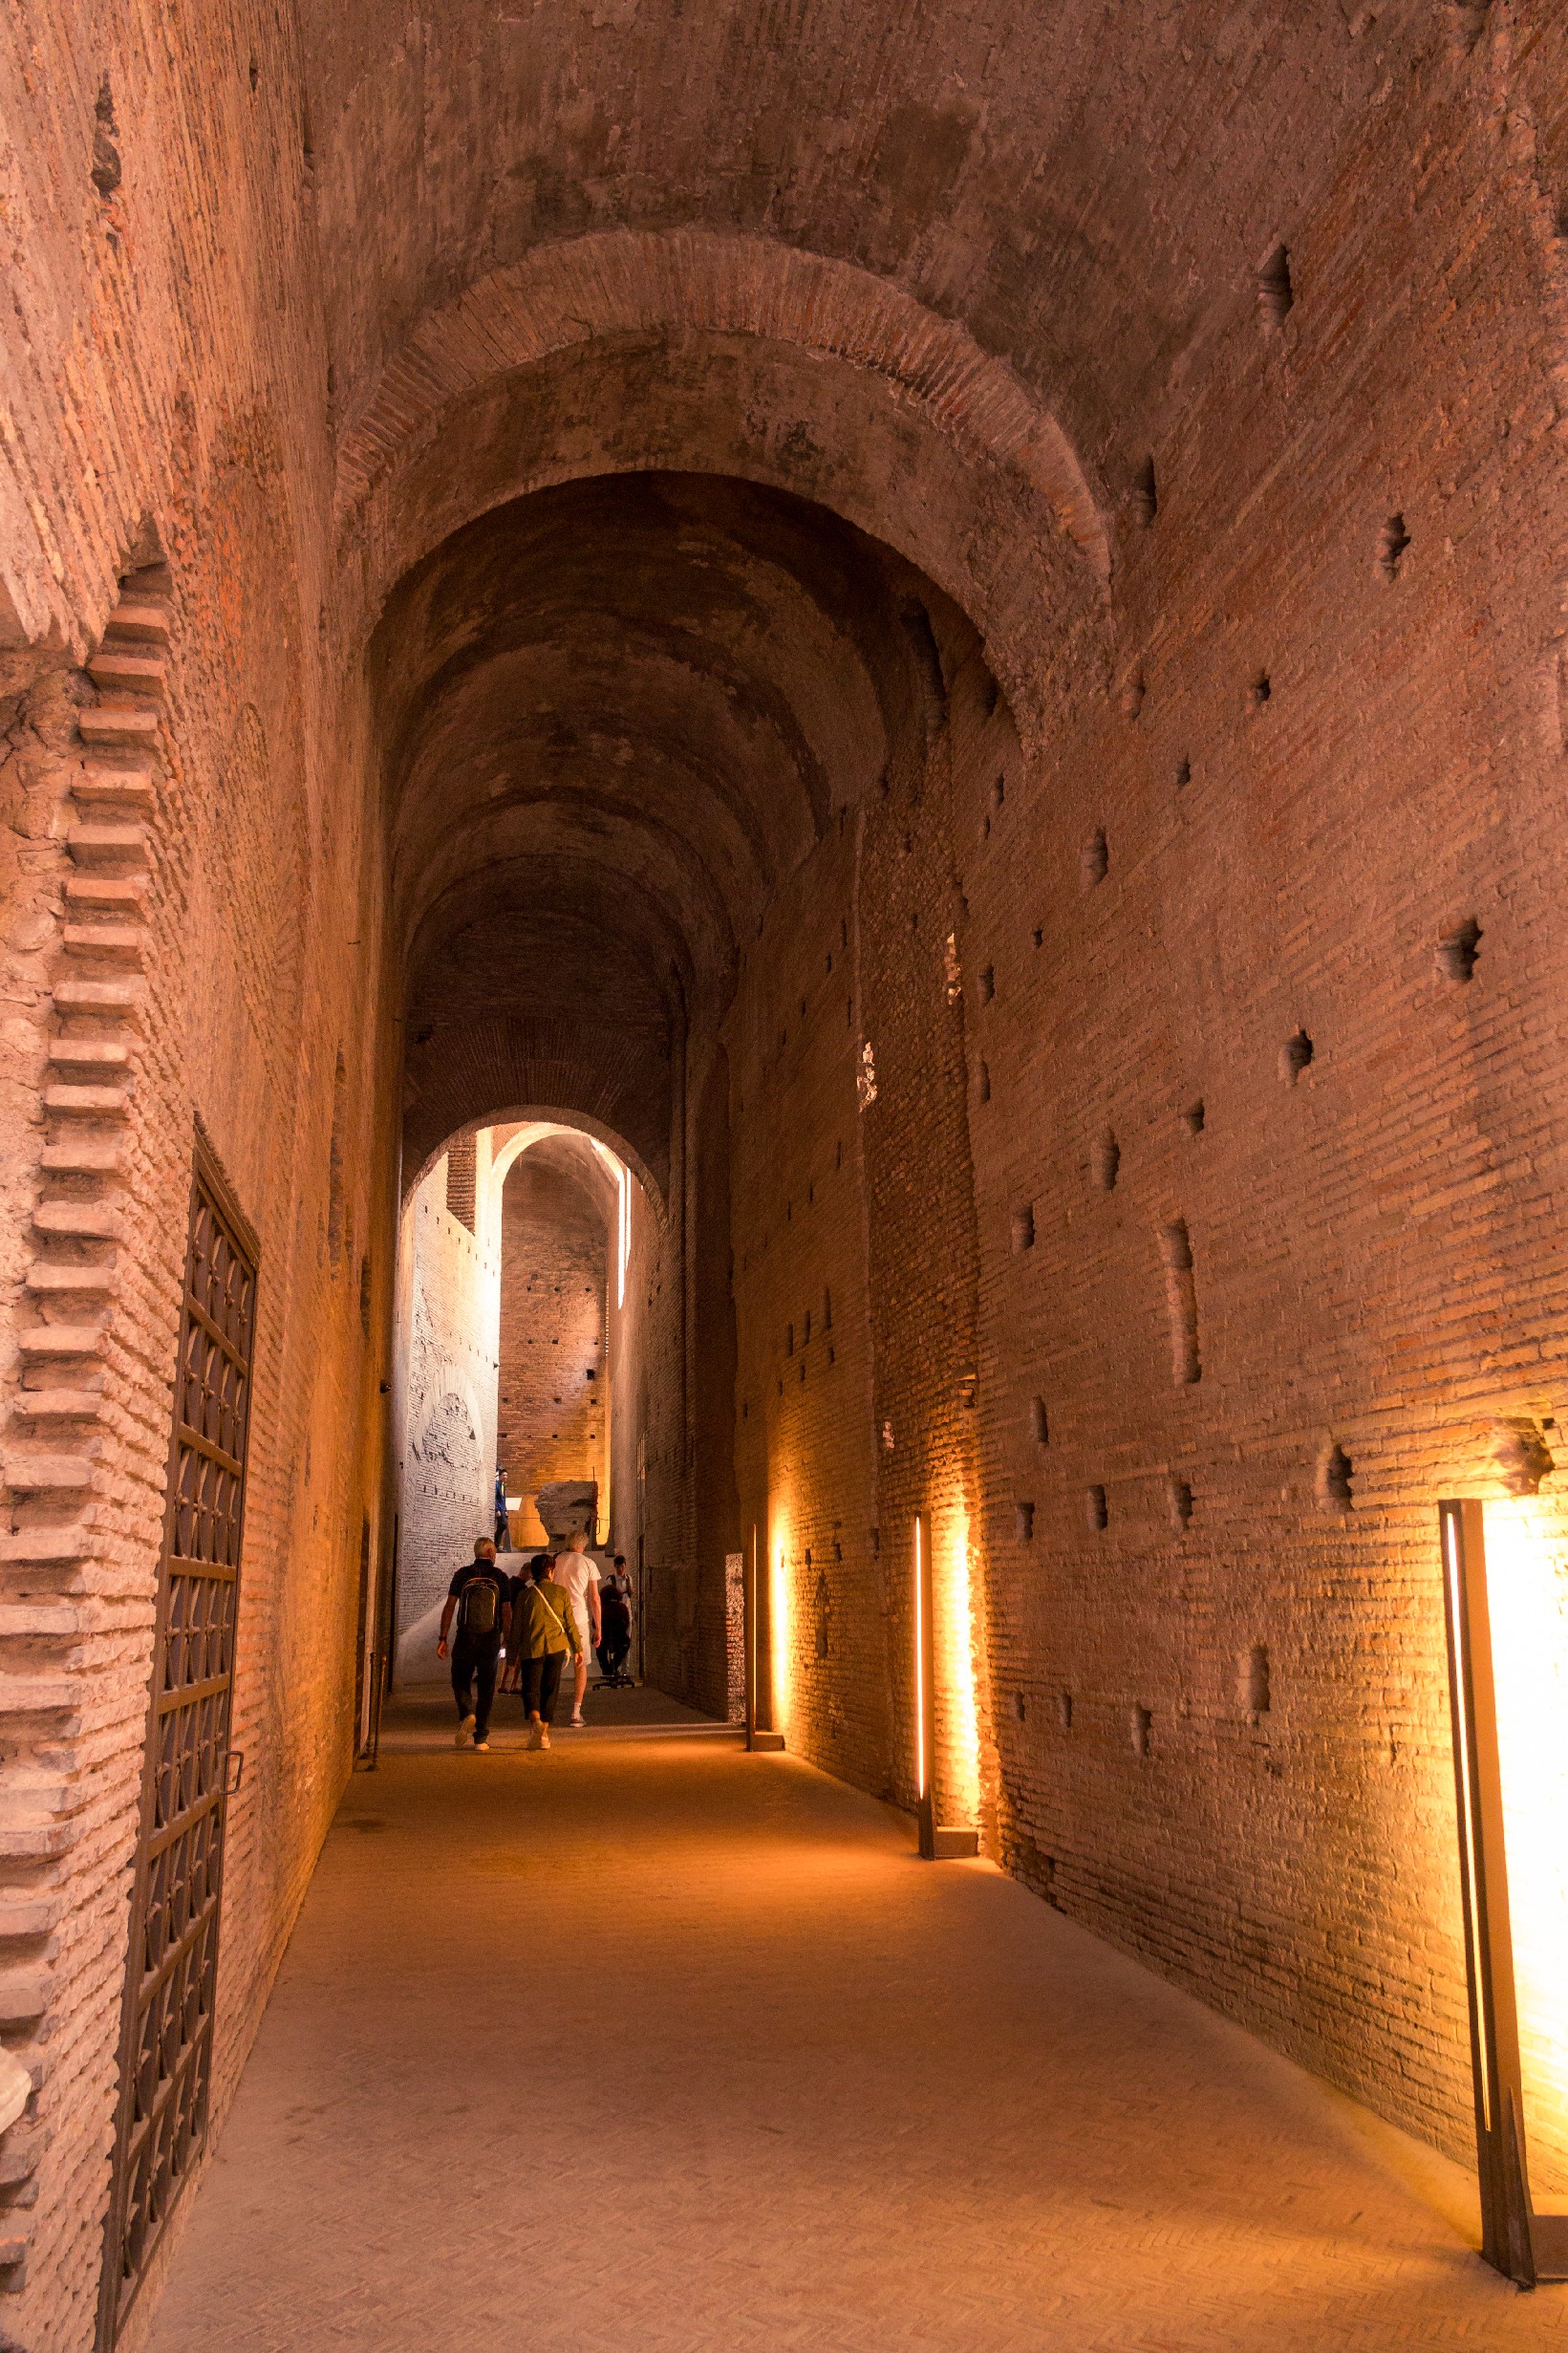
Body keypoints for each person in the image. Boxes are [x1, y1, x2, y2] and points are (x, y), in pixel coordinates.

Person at [438, 1538, 512, 1751]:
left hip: (465, 1637)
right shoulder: (499, 1577)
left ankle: (466, 1713)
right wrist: (507, 1639)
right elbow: (506, 1611)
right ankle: (481, 1738)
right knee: (487, 1687)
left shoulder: (462, 1574)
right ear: (490, 1551)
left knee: (460, 1679)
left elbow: (450, 1606)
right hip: (490, 1638)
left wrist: (443, 1638)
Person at [513, 1552, 580, 1750]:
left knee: (531, 1690)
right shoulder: (561, 1593)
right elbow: (570, 1625)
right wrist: (578, 1648)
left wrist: (510, 1657)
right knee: (550, 1691)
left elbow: (517, 1628)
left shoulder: (524, 1596)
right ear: (550, 1570)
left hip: (531, 1649)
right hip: (556, 1648)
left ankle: (535, 1723)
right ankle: (543, 1736)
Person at [551, 1529, 601, 1727]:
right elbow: (595, 1598)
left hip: (556, 1617)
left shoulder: (556, 1560)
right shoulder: (589, 1563)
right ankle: (575, 1712)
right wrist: (598, 1628)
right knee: (581, 1664)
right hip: (579, 1618)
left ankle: (547, 1709)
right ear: (584, 1544)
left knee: (553, 1662)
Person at [596, 1557, 633, 1685]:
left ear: (625, 1566)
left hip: (623, 1618)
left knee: (623, 1643)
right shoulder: (610, 1580)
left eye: (622, 1566)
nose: (620, 1569)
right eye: (618, 1567)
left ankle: (621, 1671)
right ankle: (610, 1670)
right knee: (620, 1643)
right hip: (617, 1620)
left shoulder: (628, 1579)